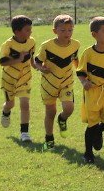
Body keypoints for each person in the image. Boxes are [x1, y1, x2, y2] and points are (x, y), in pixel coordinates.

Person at [76, 17, 104, 164]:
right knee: (92, 124)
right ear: (94, 35)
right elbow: (80, 71)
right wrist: (84, 82)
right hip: (93, 93)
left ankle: (98, 133)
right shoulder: (88, 53)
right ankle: (88, 153)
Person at [33, 14, 80, 150]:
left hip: (66, 82)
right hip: (49, 84)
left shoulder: (76, 44)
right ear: (55, 31)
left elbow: (75, 59)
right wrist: (42, 68)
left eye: (70, 30)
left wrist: (81, 71)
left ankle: (63, 119)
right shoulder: (47, 46)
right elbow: (37, 61)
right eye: (63, 30)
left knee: (69, 108)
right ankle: (49, 139)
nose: (67, 33)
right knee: (50, 112)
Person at [0, 15, 36, 143]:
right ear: (17, 31)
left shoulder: (32, 42)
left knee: (25, 105)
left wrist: (37, 66)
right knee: (10, 104)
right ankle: (5, 111)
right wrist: (18, 59)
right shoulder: (8, 44)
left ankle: (24, 133)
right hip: (9, 79)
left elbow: (32, 58)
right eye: (27, 30)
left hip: (25, 77)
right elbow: (2, 62)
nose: (30, 32)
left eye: (30, 29)